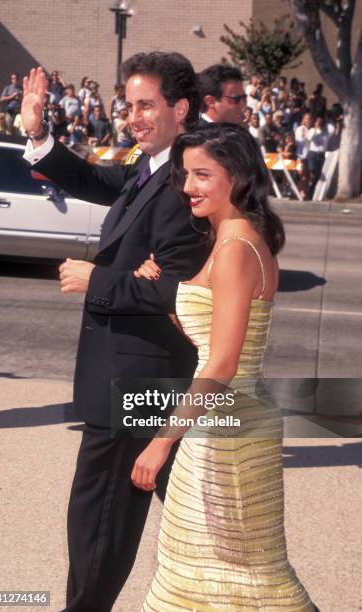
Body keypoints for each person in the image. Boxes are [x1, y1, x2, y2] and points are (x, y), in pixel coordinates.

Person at [21, 51, 210, 611]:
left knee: (100, 520)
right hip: (125, 375)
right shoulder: (147, 166)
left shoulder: (185, 182)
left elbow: (178, 292)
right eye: (129, 106)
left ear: (181, 108)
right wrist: (39, 134)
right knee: (130, 518)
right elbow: (94, 178)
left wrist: (98, 278)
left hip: (138, 380)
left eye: (146, 105)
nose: (133, 117)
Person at [131, 124, 319, 612]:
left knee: (239, 573)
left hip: (224, 432)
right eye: (185, 175)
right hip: (225, 421)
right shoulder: (236, 239)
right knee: (214, 568)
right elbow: (208, 332)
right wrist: (165, 290)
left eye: (202, 175)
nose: (188, 187)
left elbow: (222, 361)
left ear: (235, 176)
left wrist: (160, 441)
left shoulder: (236, 248)